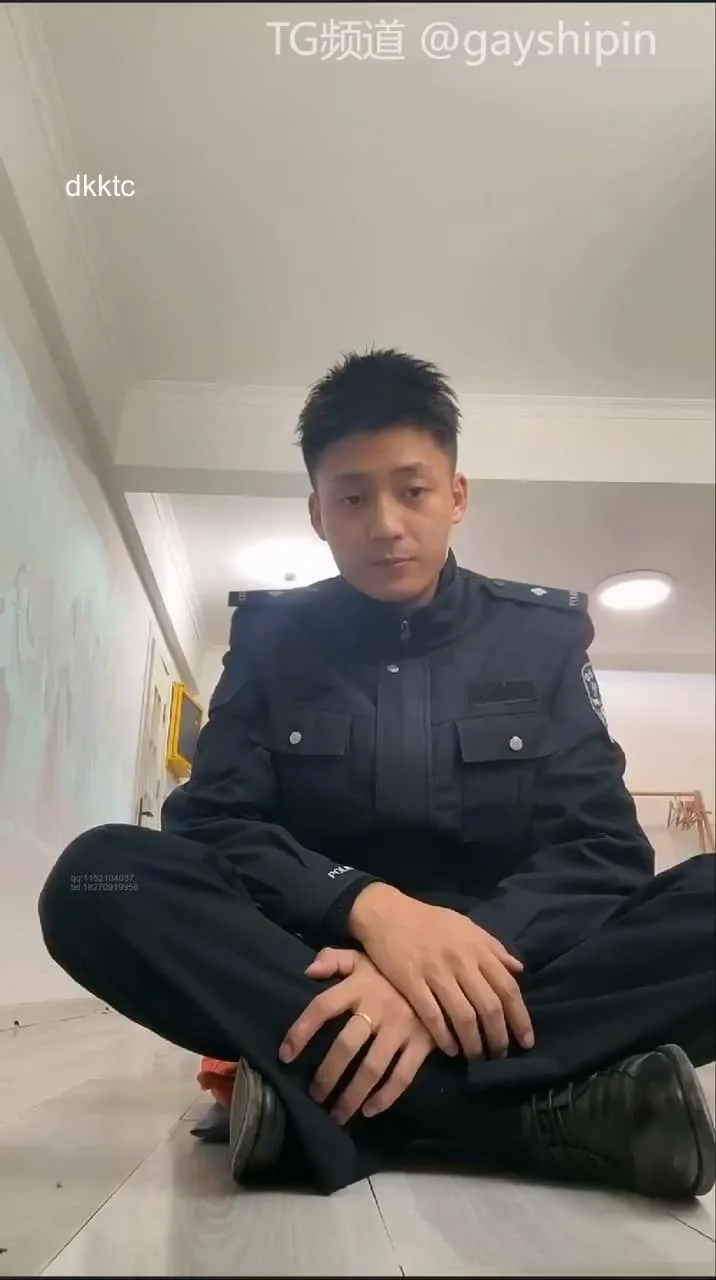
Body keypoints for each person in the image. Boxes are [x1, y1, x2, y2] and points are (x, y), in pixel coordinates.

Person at [38, 349, 715, 1200]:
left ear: (456, 496)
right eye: (353, 498)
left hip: (512, 969)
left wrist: (455, 959)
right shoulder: (272, 640)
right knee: (95, 879)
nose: (386, 524)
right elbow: (211, 824)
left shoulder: (541, 638)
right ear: (317, 514)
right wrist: (368, 909)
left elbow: (604, 849)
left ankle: (333, 1101)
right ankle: (526, 1116)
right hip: (309, 963)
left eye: (413, 490)